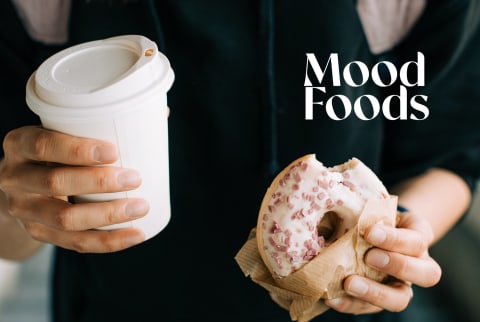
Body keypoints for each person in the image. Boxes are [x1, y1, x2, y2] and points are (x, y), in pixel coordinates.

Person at [0, 0, 479, 321]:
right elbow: (14, 238)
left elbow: (448, 155)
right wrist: (16, 209)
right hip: (114, 305)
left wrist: (402, 240)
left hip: (342, 309)